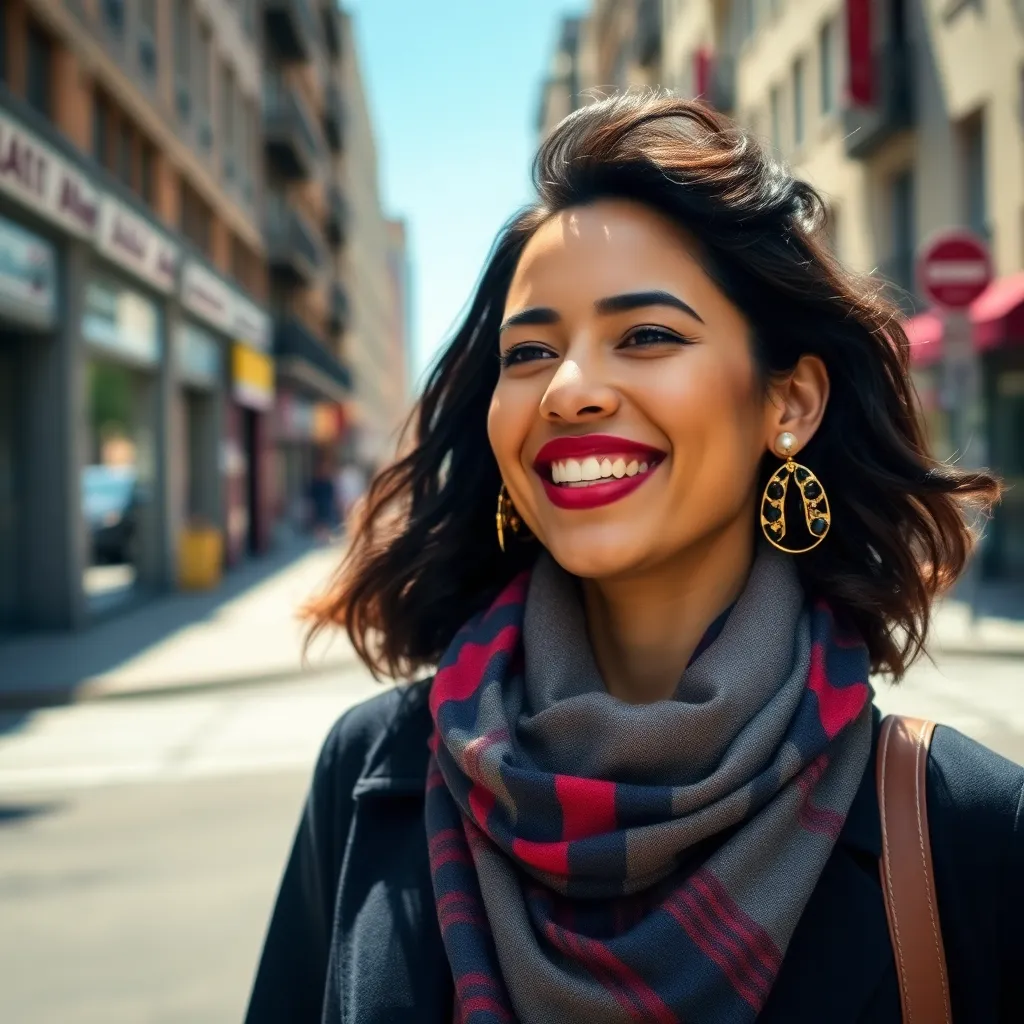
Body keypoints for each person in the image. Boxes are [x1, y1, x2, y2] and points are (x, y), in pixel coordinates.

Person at [244, 95, 1022, 1023]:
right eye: (529, 351)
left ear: (790, 405)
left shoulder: (962, 831)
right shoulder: (372, 771)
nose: (568, 390)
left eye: (647, 335)